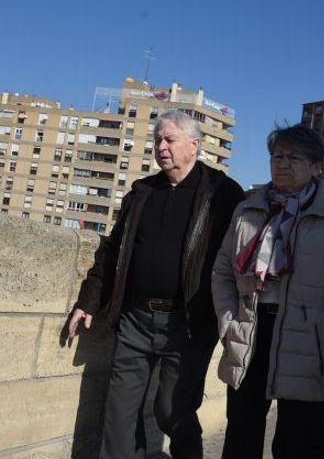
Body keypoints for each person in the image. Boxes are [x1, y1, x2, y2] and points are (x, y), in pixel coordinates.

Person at [67, 110, 245, 459]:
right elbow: (113, 252)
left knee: (172, 409)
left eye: (170, 140)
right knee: (118, 415)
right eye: (157, 140)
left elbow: (242, 253)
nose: (161, 147)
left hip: (188, 323)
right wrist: (88, 301)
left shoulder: (222, 193)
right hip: (135, 318)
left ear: (193, 146)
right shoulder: (142, 192)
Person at [211, 125, 324, 458]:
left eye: (293, 157)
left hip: (311, 344)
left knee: (300, 443)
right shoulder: (248, 210)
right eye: (277, 156)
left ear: (316, 167)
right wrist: (229, 322)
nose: (282, 163)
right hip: (251, 333)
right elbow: (222, 272)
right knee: (240, 436)